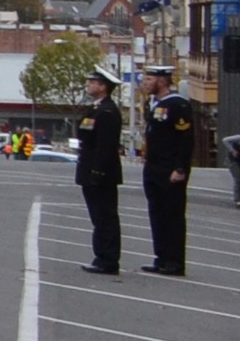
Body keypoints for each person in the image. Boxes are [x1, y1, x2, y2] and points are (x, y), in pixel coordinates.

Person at [136, 62, 199, 278]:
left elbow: (186, 139)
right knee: (157, 214)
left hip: (171, 168)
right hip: (153, 166)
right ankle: (161, 257)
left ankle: (175, 261)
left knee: (172, 215)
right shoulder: (152, 104)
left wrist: (180, 167)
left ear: (162, 81)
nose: (145, 83)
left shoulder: (178, 105)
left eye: (149, 79)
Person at [74, 70, 126, 275]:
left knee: (105, 217)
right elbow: (83, 134)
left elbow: (105, 146)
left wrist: (97, 171)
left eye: (93, 82)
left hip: (101, 172)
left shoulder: (107, 112)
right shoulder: (95, 109)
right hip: (89, 170)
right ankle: (101, 256)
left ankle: (108, 259)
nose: (88, 85)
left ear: (103, 86)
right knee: (98, 217)